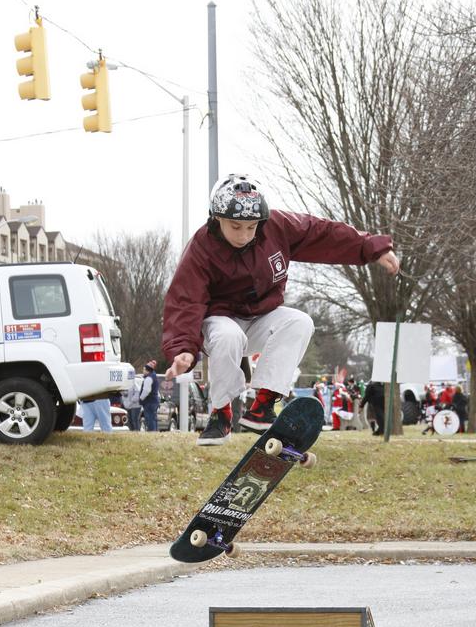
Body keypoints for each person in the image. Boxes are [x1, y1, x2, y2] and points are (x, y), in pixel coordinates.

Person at [162, 173, 399, 446]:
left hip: (262, 317)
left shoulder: (277, 227)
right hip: (219, 323)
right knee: (230, 336)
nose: (244, 235)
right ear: (217, 219)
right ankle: (221, 414)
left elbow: (323, 234)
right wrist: (183, 348)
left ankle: (263, 404)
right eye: (235, 227)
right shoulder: (202, 247)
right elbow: (185, 300)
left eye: (251, 227)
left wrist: (371, 247)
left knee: (300, 322)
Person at [139, 360, 160, 432]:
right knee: (153, 418)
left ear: (147, 370)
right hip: (154, 401)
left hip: (149, 402)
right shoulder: (154, 376)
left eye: (144, 370)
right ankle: (155, 432)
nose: (143, 371)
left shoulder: (148, 378)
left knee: (149, 418)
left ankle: (152, 432)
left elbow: (146, 390)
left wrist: (141, 398)